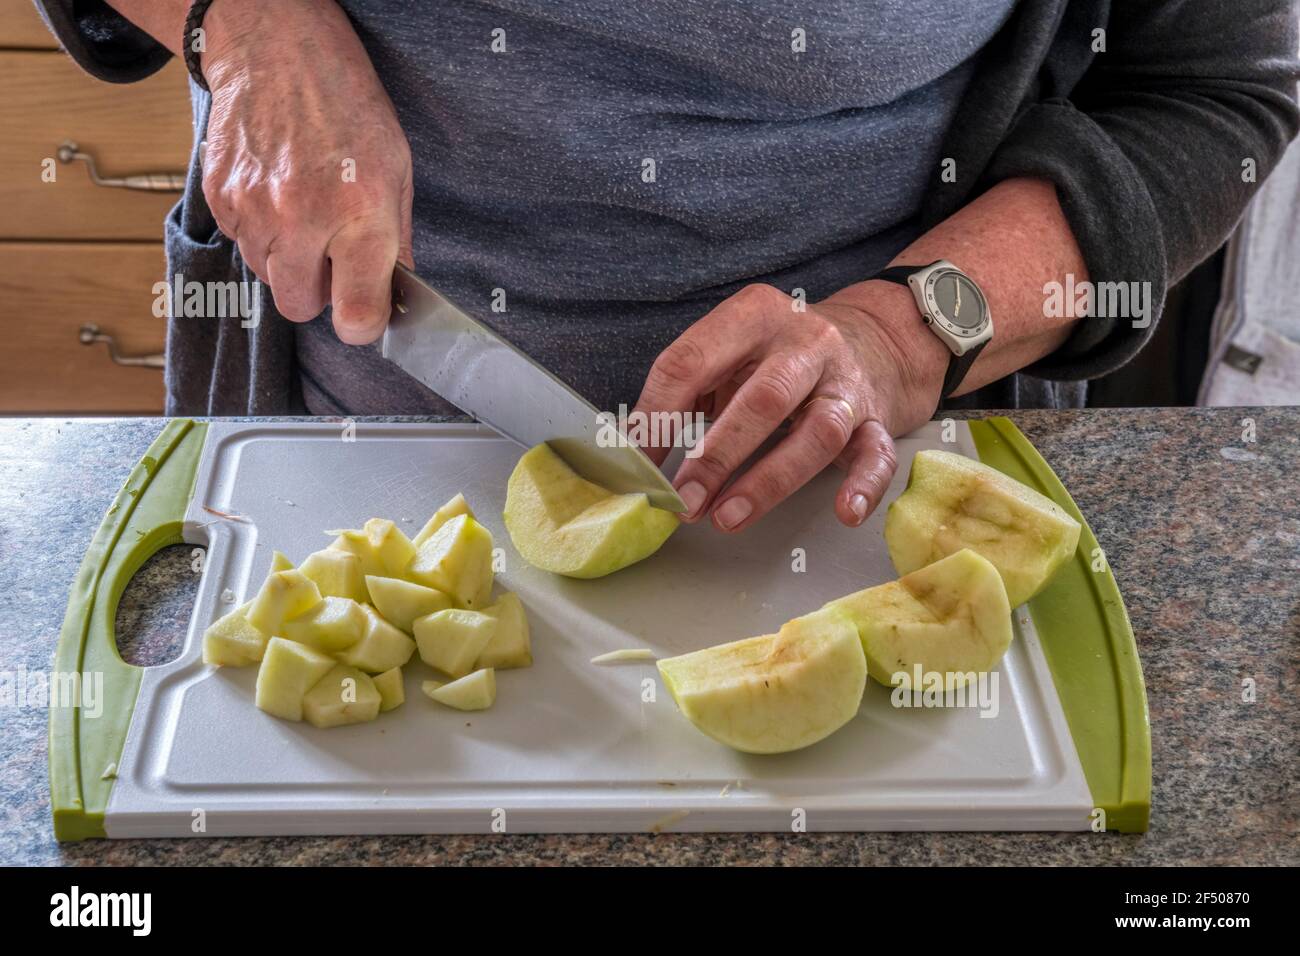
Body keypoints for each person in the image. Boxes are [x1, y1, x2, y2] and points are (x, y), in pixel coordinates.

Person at [35, 0, 1299, 531]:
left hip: (881, 496)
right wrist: (248, 21)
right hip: (337, 435)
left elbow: (1208, 91)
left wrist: (906, 332)